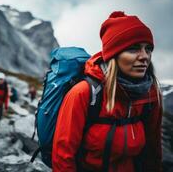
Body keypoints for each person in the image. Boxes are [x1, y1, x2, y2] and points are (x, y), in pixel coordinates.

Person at [52, 11, 162, 172]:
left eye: (148, 49)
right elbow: (63, 155)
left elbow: (153, 151)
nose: (145, 56)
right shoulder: (84, 93)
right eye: (133, 49)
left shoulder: (150, 94)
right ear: (113, 55)